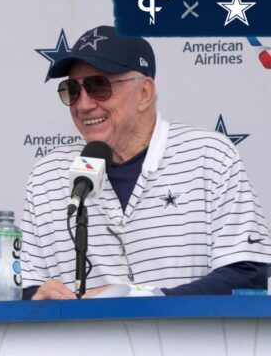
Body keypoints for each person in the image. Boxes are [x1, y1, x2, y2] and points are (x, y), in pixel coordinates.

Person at [21, 25, 271, 300]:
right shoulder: (47, 174)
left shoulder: (209, 156)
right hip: (82, 342)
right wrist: (38, 298)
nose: (83, 105)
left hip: (188, 340)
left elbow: (247, 272)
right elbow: (27, 286)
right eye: (72, 90)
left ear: (144, 93)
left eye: (98, 86)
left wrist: (150, 301)